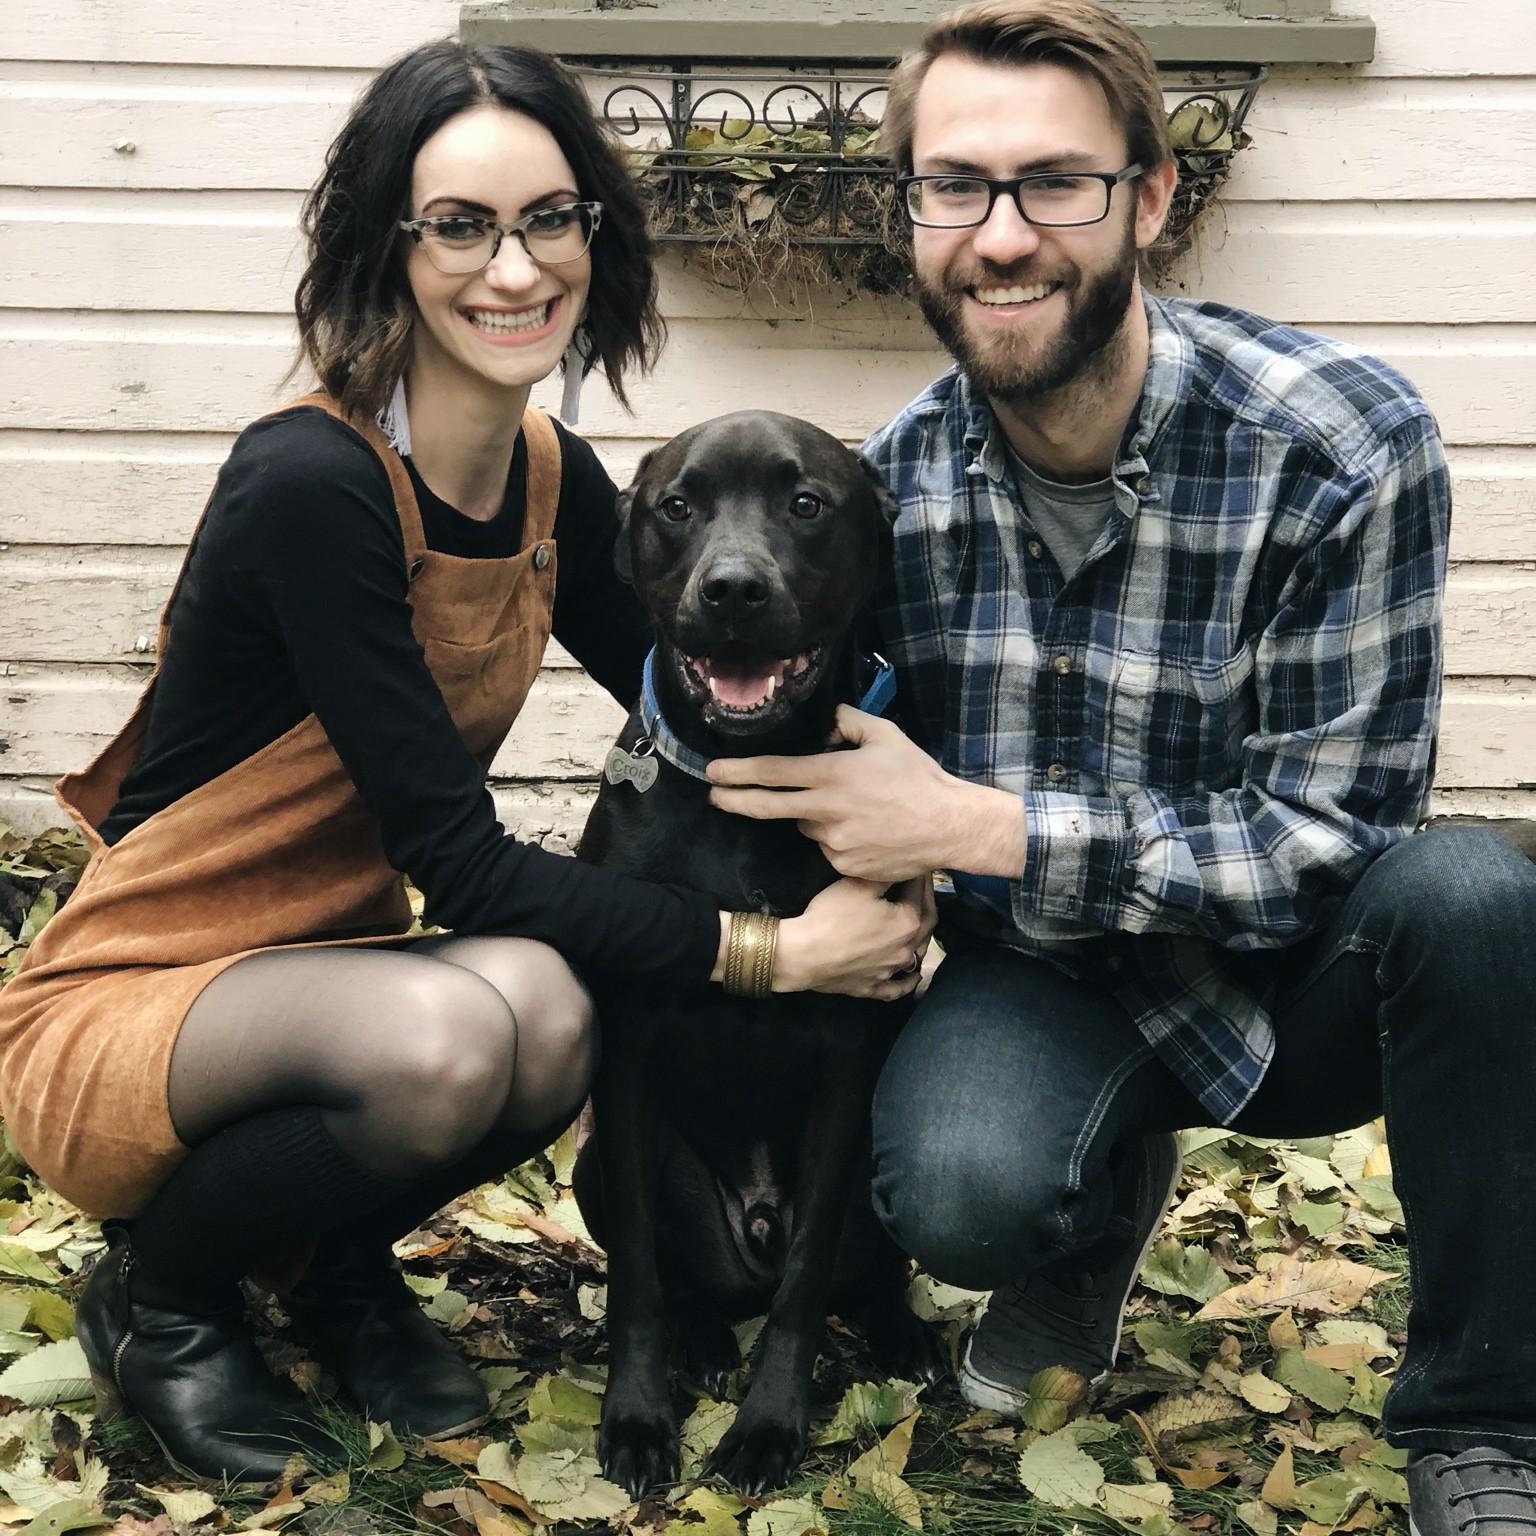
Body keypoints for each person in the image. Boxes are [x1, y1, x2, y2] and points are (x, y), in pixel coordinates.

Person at [0, 39, 932, 1485]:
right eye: (462, 225)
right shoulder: (314, 482)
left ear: (595, 238)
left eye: (550, 219)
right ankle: (166, 1300)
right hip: (138, 998)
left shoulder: (548, 475)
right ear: (388, 243)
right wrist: (771, 953)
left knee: (552, 1018)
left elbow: (698, 696)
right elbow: (463, 866)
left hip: (327, 980)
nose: (515, 269)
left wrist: (892, 811)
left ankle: (329, 1265)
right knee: (468, 1034)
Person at [706, 3, 1536, 1529]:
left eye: (1055, 184)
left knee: (1477, 899)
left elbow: (1337, 834)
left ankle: (1483, 1421)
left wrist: (984, 823)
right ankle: (1084, 1208)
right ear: (909, 216)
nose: (1001, 234)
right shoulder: (877, 498)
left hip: (1293, 980)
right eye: (953, 185)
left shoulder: (1342, 443)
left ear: (1152, 198)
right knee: (960, 1191)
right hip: (1047, 981)